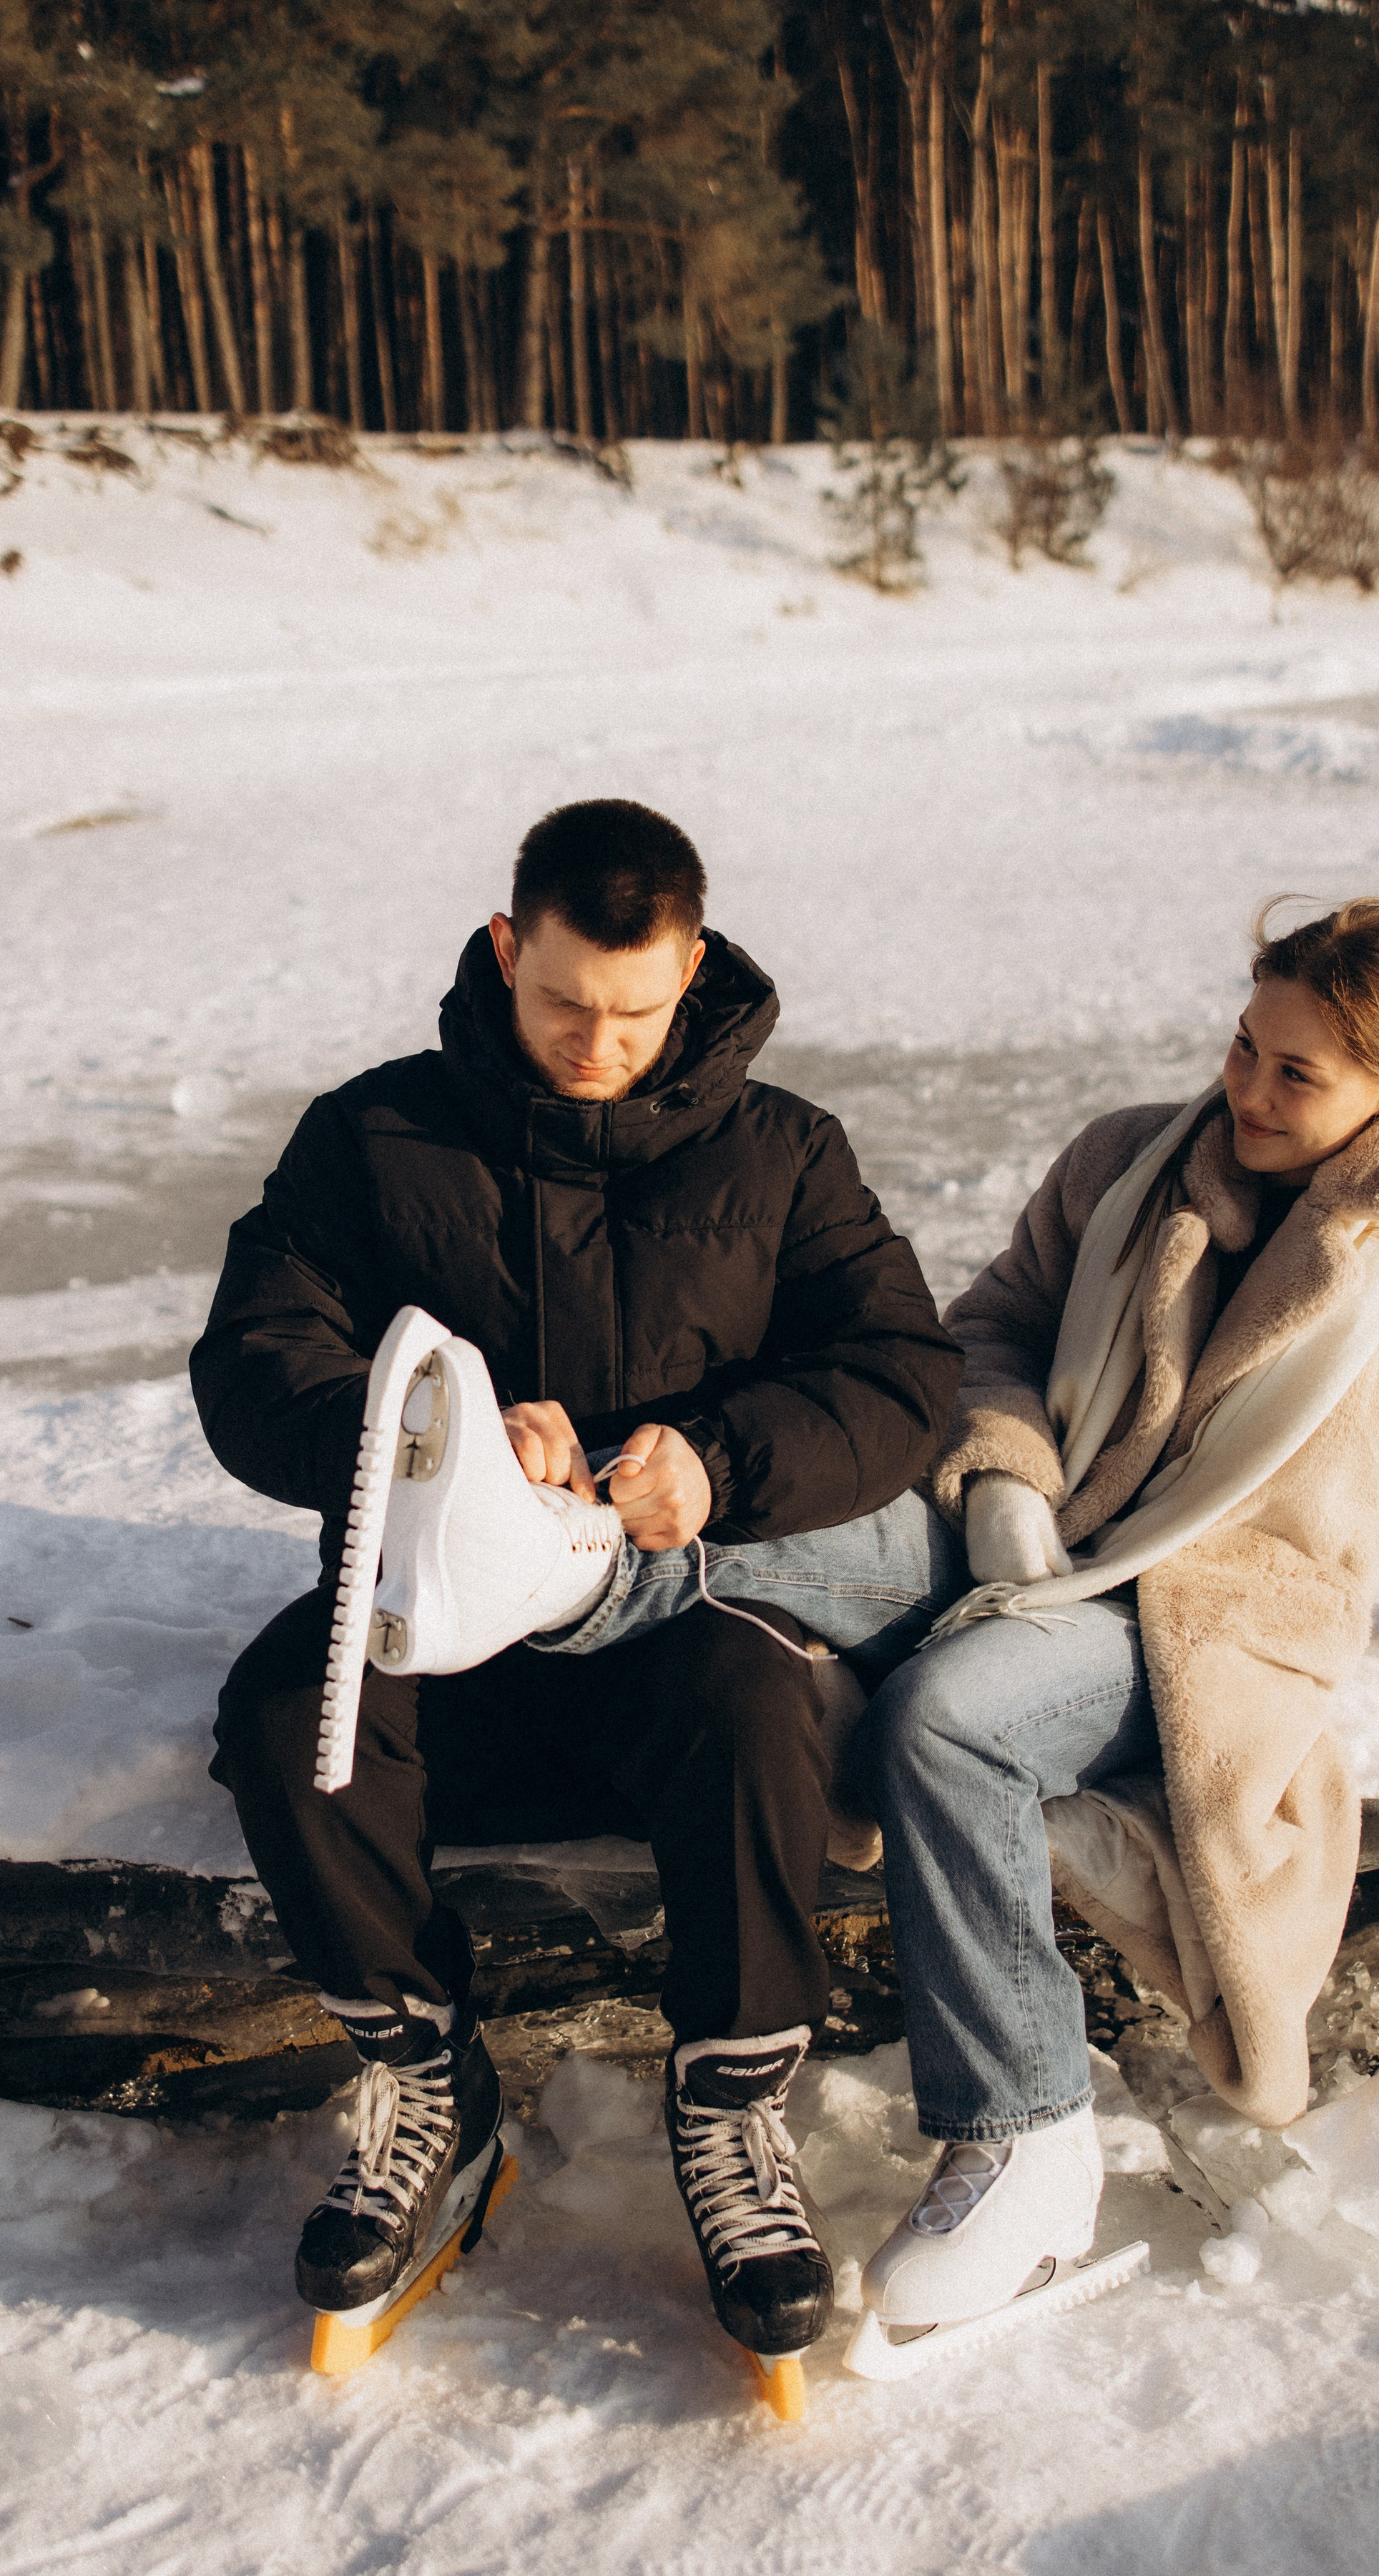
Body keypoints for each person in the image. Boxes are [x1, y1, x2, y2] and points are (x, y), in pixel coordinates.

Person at [193, 798, 962, 2371]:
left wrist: (720, 1464)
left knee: (759, 1707)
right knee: (283, 1715)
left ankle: (732, 2109)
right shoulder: (371, 1136)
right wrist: (440, 1446)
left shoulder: (785, 1150)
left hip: (672, 1626)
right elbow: (254, 1361)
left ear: (692, 965)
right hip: (437, 1620)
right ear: (505, 948)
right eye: (561, 1002)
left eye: (636, 1011)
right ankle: (430, 2083)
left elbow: (904, 1378)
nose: (597, 1045)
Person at [850, 899, 1379, 2341]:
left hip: (1214, 1614)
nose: (1248, 1091)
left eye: (1297, 1074)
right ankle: (561, 1570)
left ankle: (1026, 2147)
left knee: (947, 1722)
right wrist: (1005, 1475)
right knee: (794, 1541)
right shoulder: (1126, 1163)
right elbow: (990, 1326)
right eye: (1244, 1047)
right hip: (1047, 1531)